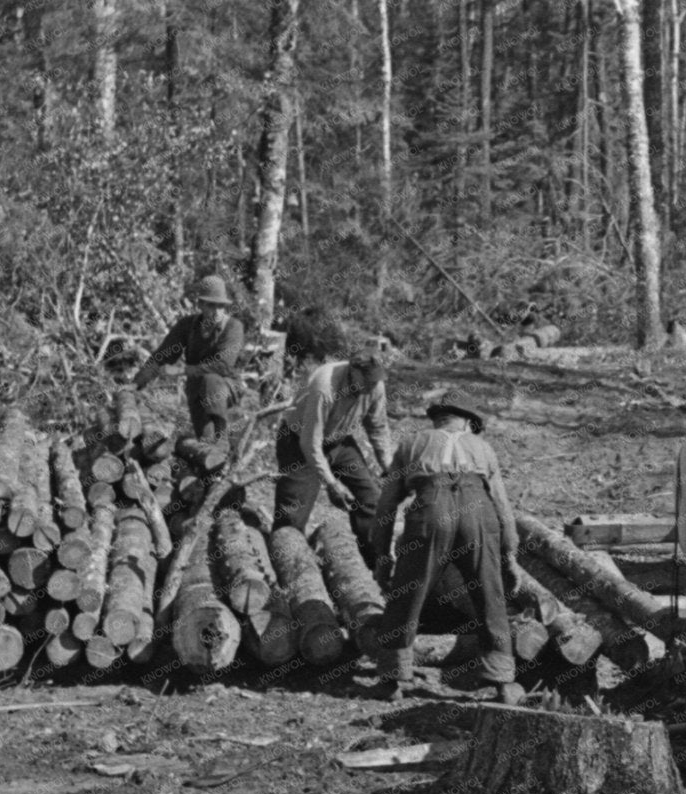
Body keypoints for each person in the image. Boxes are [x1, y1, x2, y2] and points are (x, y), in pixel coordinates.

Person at [366, 390, 526, 704]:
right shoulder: (483, 447)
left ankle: (391, 679)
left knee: (407, 593)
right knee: (489, 595)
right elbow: (504, 509)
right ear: (467, 422)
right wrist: (510, 556)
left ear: (438, 419)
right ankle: (503, 680)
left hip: (430, 509)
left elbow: (386, 506)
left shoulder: (412, 444)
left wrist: (383, 556)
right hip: (477, 511)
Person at [274, 339, 392, 545]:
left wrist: (388, 466)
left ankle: (369, 562)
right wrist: (331, 483)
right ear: (353, 369)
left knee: (371, 499)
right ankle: (284, 559)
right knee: (293, 515)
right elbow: (310, 443)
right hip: (298, 443)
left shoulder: (375, 386)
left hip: (338, 441)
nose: (371, 386)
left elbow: (378, 428)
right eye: (367, 380)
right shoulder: (324, 386)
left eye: (374, 381)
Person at [133, 275, 245, 444]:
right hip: (196, 390)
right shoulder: (187, 326)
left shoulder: (234, 327)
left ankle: (222, 439)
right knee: (206, 445)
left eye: (221, 306)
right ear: (200, 304)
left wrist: (181, 370)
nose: (217, 312)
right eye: (211, 305)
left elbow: (222, 365)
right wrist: (135, 384)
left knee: (211, 380)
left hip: (226, 388)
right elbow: (161, 357)